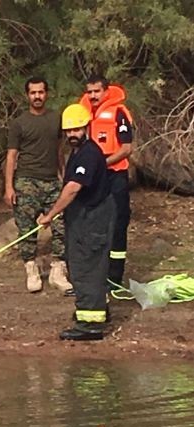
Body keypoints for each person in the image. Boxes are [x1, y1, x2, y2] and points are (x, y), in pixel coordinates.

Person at [37, 104, 115, 341]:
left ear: (87, 127)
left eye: (77, 129)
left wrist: (50, 215)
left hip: (93, 218)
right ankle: (97, 310)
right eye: (68, 130)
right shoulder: (79, 153)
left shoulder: (89, 154)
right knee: (86, 264)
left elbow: (72, 189)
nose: (72, 134)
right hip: (85, 217)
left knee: (86, 268)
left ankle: (90, 326)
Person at [4, 76, 72, 293]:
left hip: (52, 181)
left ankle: (58, 269)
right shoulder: (19, 123)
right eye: (33, 93)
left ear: (46, 93)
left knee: (61, 224)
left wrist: (64, 177)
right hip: (26, 181)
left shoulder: (56, 119)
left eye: (41, 92)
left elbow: (59, 150)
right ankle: (31, 269)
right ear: (27, 96)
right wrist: (9, 187)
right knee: (26, 228)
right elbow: (12, 156)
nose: (37, 96)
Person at [79, 75, 133, 289]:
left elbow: (127, 148)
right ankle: (93, 273)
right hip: (93, 178)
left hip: (115, 176)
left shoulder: (119, 112)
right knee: (91, 224)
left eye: (97, 91)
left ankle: (114, 278)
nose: (93, 96)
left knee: (118, 224)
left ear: (106, 91)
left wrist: (103, 163)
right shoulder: (83, 113)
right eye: (89, 92)